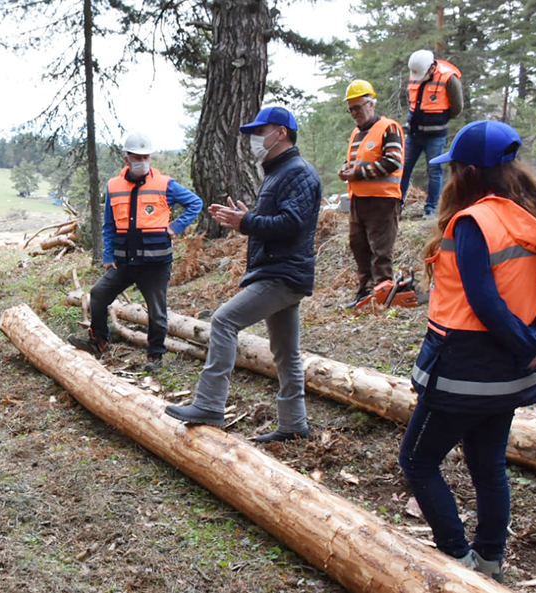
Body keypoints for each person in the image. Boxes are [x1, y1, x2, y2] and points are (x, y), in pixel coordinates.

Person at [400, 120, 536, 583]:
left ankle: (457, 560)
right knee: (487, 461)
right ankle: (490, 561)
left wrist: (526, 345)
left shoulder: (476, 221)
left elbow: (483, 300)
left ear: (471, 170)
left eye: (455, 168)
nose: (451, 177)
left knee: (416, 459)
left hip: (464, 368)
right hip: (512, 371)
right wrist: (534, 344)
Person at [165, 107, 322, 443]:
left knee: (223, 321)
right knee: (285, 351)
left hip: (281, 275)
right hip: (282, 272)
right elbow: (280, 221)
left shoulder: (298, 173)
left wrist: (246, 223)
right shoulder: (280, 172)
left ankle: (209, 404)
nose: (253, 139)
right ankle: (294, 424)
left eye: (259, 130)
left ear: (280, 132)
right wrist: (248, 217)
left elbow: (292, 225)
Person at [67, 131, 203, 371]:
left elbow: (195, 203)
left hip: (155, 264)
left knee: (157, 311)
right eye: (136, 156)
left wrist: (176, 227)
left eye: (145, 156)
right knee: (98, 294)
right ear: (126, 158)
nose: (141, 160)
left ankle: (155, 356)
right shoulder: (114, 186)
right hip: (124, 262)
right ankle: (98, 341)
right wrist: (108, 256)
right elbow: (109, 225)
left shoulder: (165, 184)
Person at [338, 80, 405, 309]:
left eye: (358, 107)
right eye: (351, 109)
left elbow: (392, 161)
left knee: (380, 250)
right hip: (358, 200)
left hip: (383, 201)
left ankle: (384, 295)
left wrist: (357, 173)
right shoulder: (356, 133)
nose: (355, 113)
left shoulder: (389, 128)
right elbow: (356, 163)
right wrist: (347, 170)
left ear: (371, 103)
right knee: (359, 247)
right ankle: (365, 293)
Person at [402, 49, 464, 218]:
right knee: (404, 168)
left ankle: (431, 208)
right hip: (413, 133)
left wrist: (439, 119)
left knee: (434, 170)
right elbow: (411, 100)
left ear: (431, 67)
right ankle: (397, 205)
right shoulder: (414, 73)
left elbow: (457, 108)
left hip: (435, 136)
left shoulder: (448, 78)